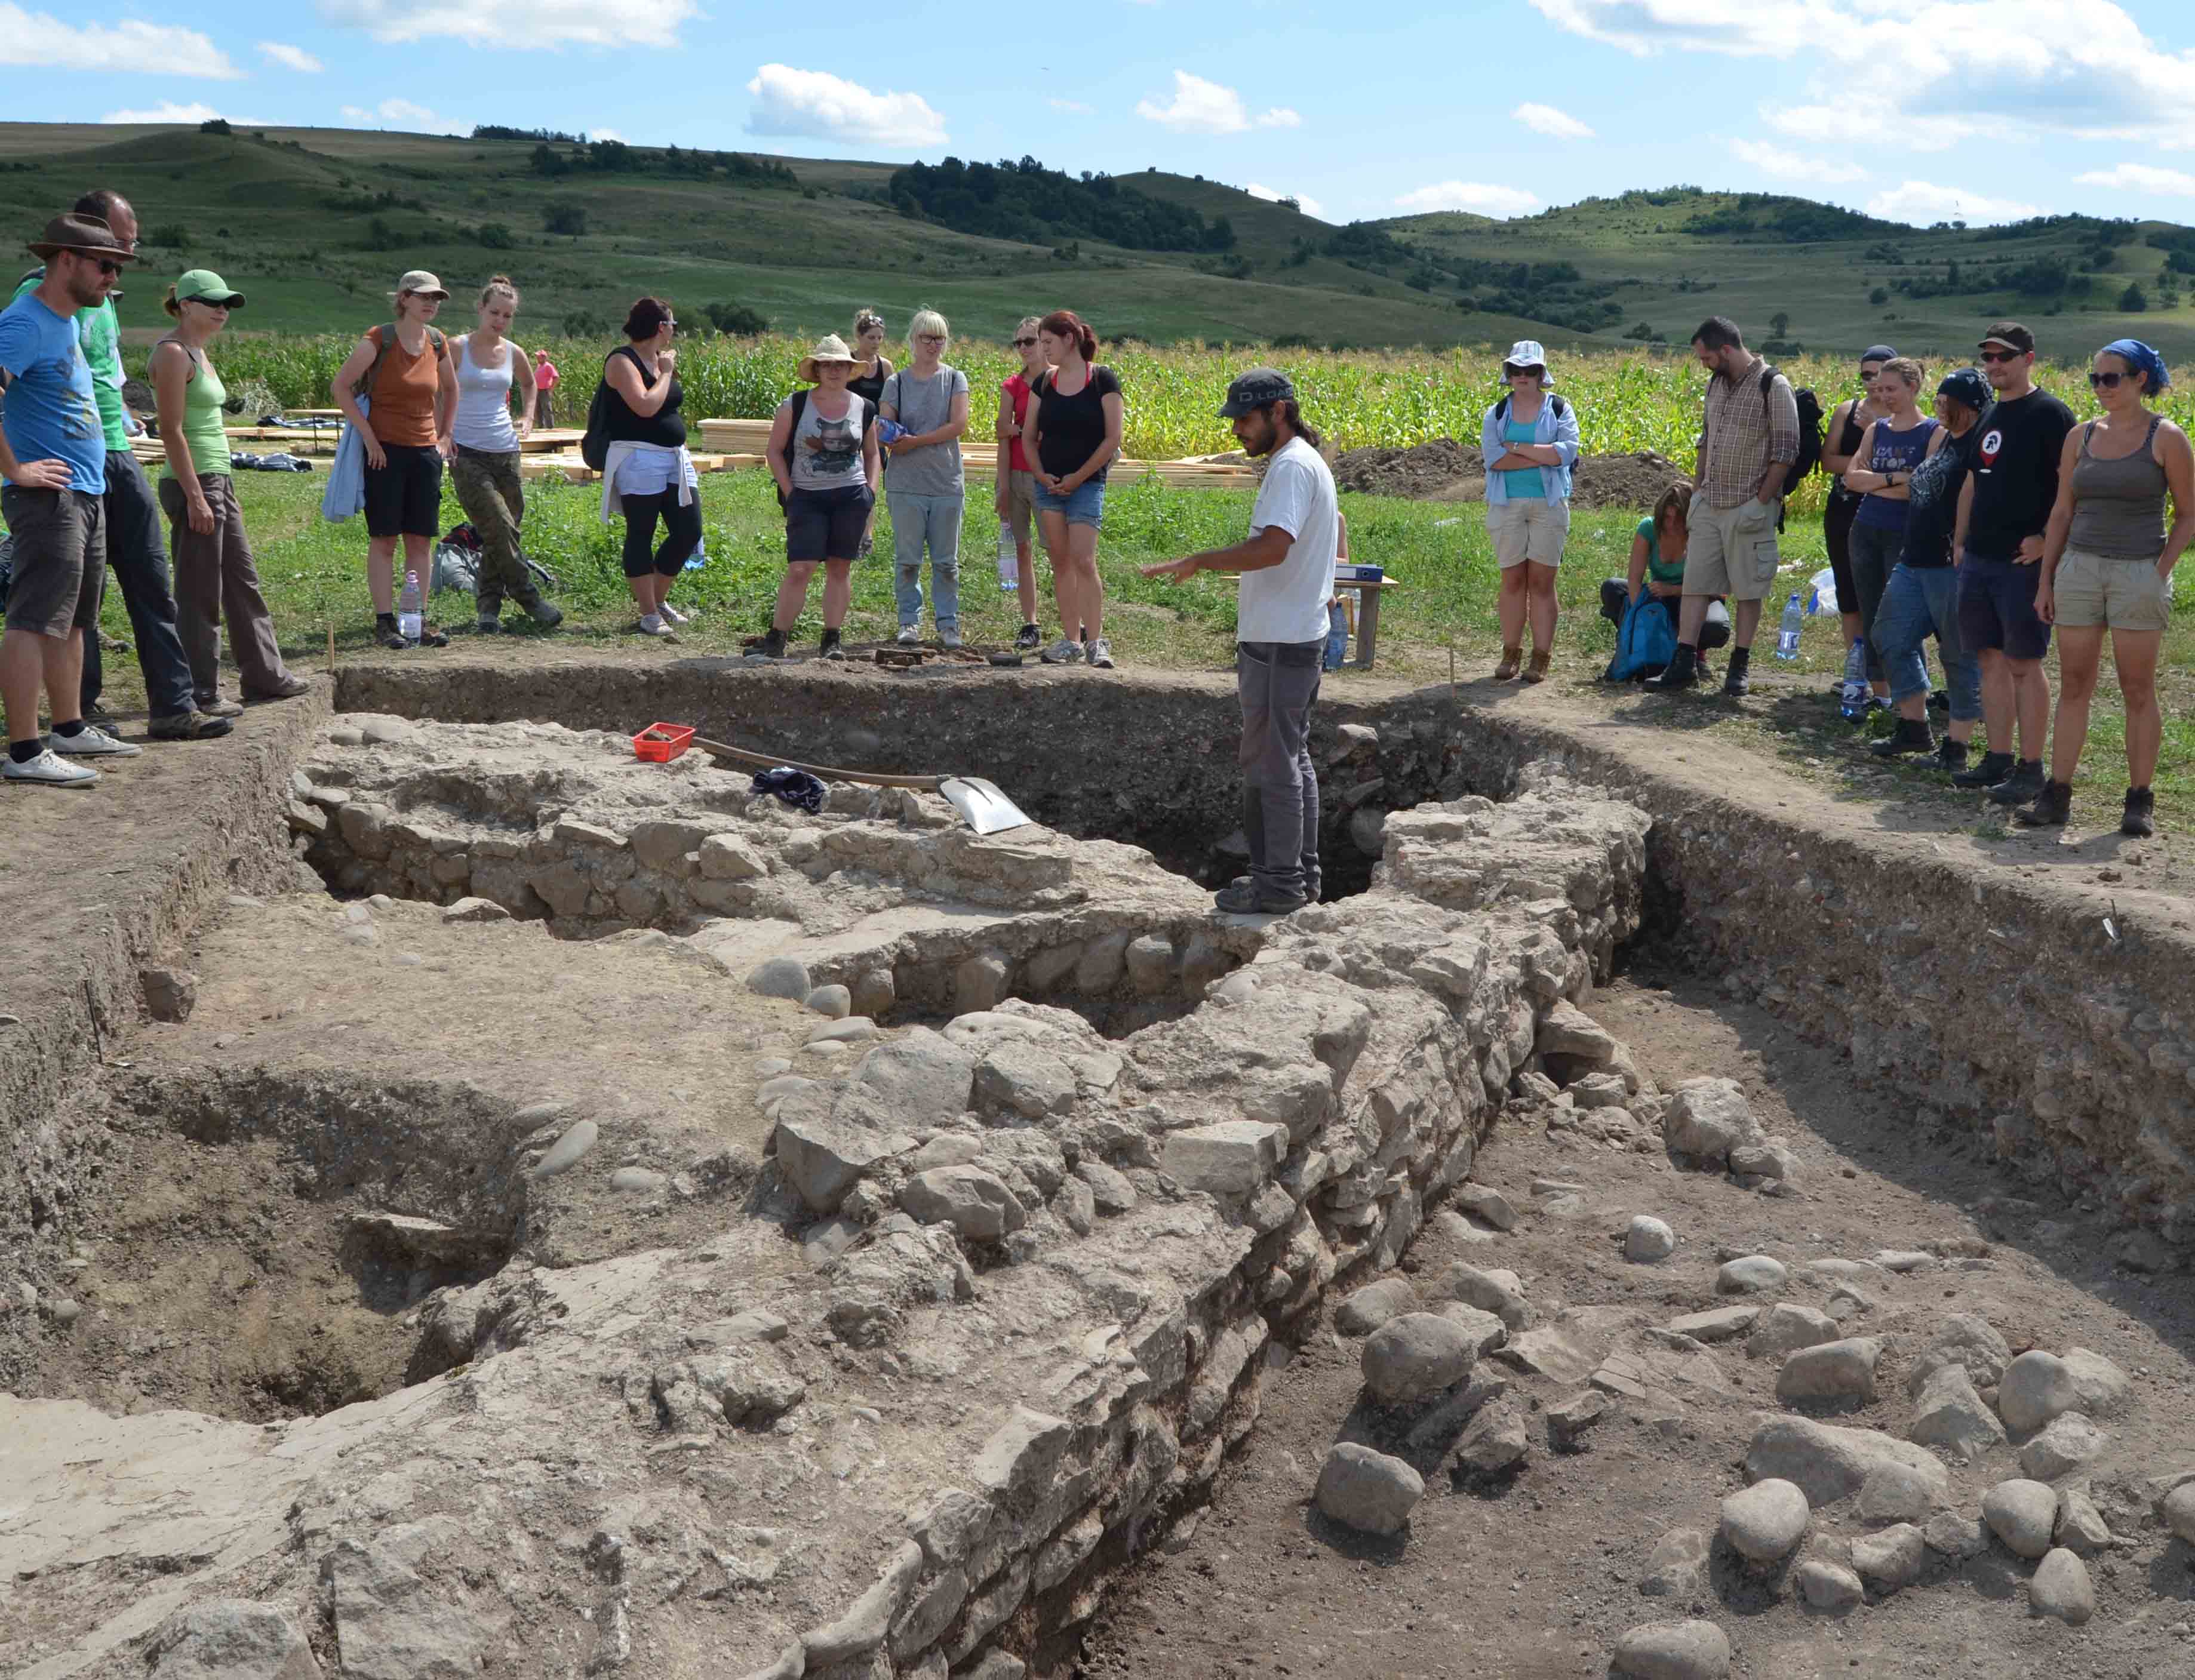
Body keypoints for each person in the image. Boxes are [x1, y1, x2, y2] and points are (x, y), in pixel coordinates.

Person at [10, 190, 217, 739]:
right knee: (71, 598)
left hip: (108, 451)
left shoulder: (96, 303)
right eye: (115, 249)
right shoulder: (40, 302)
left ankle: (169, 706)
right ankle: (71, 716)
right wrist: (17, 468)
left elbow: (98, 373)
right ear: (81, 244)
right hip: (62, 464)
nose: (123, 257)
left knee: (143, 575)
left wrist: (125, 415)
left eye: (127, 249)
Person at [1140, 368, 1336, 914]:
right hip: (1292, 635)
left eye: (1245, 420)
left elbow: (1274, 548)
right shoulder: (1298, 462)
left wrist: (1201, 561)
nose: (1237, 432)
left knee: (1273, 764)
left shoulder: (1293, 467)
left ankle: (1278, 885)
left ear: (1279, 412)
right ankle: (1302, 877)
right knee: (1290, 758)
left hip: (1279, 641)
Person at [2016, 339, 2194, 833]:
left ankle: (2139, 799)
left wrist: (2158, 572)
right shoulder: (2080, 436)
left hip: (2138, 569)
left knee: (2137, 689)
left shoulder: (2168, 437)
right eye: (2095, 379)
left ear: (2141, 380)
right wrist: (2047, 580)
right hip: (2080, 570)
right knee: (2075, 684)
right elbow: (2062, 512)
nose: (2101, 388)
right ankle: (2058, 795)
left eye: (2111, 378)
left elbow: (2187, 515)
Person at [0, 213, 143, 784]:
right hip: (47, 500)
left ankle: (68, 727)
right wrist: (16, 470)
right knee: (33, 621)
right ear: (66, 261)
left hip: (85, 492)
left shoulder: (66, 322)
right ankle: (26, 751)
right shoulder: (25, 323)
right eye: (105, 265)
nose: (112, 278)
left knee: (74, 621)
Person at [150, 270, 307, 720]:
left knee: (242, 580)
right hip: (194, 480)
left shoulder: (201, 351)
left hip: (219, 477)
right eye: (212, 302)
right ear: (184, 305)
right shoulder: (173, 353)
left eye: (228, 304)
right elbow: (171, 431)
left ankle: (264, 675)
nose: (223, 310)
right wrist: (195, 496)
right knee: (201, 591)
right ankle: (201, 690)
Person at [1949, 322, 2076, 805]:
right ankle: (1998, 759)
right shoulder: (1989, 415)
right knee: (1989, 660)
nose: (1995, 365)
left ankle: (2031, 768)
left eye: (2004, 356)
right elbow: (1971, 484)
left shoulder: (2050, 415)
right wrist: (1961, 542)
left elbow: (2073, 488)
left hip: (2022, 563)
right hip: (1980, 558)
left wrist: (2047, 540)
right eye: (1989, 357)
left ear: (2029, 358)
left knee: (2025, 663)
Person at [1648, 316, 1799, 697]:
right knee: (1697, 583)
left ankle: (1740, 666)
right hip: (1710, 503)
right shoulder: (1715, 384)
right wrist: (1697, 490)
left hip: (1749, 507)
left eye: (1707, 357)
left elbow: (1786, 451)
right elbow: (1705, 439)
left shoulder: (1774, 386)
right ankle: (1683, 663)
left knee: (1749, 590)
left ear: (1727, 350)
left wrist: (1761, 501)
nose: (1704, 364)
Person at [1867, 367, 1988, 770]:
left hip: (1948, 565)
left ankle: (1956, 747)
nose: (1940, 409)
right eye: (1937, 402)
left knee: (1958, 654)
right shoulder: (1948, 442)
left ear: (1969, 408)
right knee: (1890, 635)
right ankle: (1914, 727)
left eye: (1946, 403)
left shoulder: (1978, 447)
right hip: (1913, 559)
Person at [331, 270, 457, 651]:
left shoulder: (437, 341)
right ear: (403, 299)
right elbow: (340, 386)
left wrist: (446, 435)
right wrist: (369, 438)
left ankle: (416, 620)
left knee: (420, 540)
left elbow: (451, 389)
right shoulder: (378, 339)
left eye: (436, 298)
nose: (431, 304)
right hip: (383, 451)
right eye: (424, 297)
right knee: (384, 539)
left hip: (425, 453)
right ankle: (385, 623)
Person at [447, 276, 561, 635]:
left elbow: (531, 384)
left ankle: (488, 611)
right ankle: (530, 599)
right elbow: (437, 393)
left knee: (503, 531)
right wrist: (442, 434)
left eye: (507, 315)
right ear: (480, 309)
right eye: (494, 312)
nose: (500, 320)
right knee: (497, 523)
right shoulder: (456, 348)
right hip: (465, 451)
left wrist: (528, 416)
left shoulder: (514, 352)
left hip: (506, 450)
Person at [758, 334, 880, 660]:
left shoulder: (863, 407)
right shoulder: (795, 405)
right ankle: (777, 637)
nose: (834, 370)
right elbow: (773, 451)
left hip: (851, 496)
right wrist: (791, 493)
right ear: (817, 369)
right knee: (801, 567)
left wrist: (870, 490)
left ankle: (832, 639)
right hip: (807, 497)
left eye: (840, 364)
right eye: (827, 364)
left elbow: (872, 453)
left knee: (840, 568)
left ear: (849, 369)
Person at [1025, 309, 1124, 669]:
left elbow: (1113, 438)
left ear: (1069, 339)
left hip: (1086, 485)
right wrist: (1039, 473)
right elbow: (1028, 436)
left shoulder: (1102, 380)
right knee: (1060, 562)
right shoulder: (1044, 383)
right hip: (1048, 485)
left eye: (1048, 342)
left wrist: (1079, 477)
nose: (1044, 350)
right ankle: (1071, 640)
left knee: (1084, 560)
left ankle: (1096, 641)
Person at [595, 296, 699, 639]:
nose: (674, 332)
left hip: (672, 456)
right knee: (642, 530)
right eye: (672, 325)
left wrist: (665, 371)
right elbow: (644, 406)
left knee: (688, 529)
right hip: (637, 457)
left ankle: (658, 599)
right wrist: (667, 374)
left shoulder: (658, 360)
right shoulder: (622, 361)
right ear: (660, 327)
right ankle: (648, 612)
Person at [1479, 339, 1580, 682]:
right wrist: (1541, 452)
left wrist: (1518, 448)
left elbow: (1564, 454)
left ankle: (1541, 656)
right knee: (1512, 580)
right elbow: (1494, 459)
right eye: (1515, 370)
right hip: (1506, 504)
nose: (1522, 376)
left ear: (1541, 374)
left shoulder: (1560, 409)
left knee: (1542, 582)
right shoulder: (1496, 413)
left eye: (1530, 370)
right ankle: (1511, 653)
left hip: (1549, 504)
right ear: (1507, 374)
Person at [1842, 356, 1938, 706]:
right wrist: (1894, 478)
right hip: (1866, 530)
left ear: (1913, 388)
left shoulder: (1933, 432)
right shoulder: (1876, 430)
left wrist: (1874, 484)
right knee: (1870, 613)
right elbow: (1852, 478)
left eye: (1892, 389)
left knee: (1902, 618)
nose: (1884, 396)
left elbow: (1922, 489)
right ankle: (1881, 696)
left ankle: (1912, 697)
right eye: (1880, 389)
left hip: (1904, 534)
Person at [881, 308, 970, 647]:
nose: (933, 345)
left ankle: (949, 623)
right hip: (905, 484)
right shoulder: (896, 382)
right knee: (908, 560)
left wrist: (915, 441)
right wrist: (889, 435)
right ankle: (909, 621)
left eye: (939, 338)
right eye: (927, 338)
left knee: (947, 563)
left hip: (946, 482)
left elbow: (958, 425)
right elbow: (886, 423)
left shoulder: (955, 379)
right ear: (913, 340)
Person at [1598, 479, 1730, 676]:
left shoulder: (1703, 533)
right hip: (1659, 596)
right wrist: (1638, 615)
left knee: (1716, 626)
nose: (1670, 524)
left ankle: (1693, 653)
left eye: (1677, 520)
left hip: (1696, 596)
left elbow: (1719, 590)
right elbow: (1634, 578)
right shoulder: (1649, 529)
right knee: (1613, 588)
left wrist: (1673, 590)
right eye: (1666, 518)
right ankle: (1640, 642)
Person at [1821, 346, 1895, 687]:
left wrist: (1876, 434)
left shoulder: (1908, 417)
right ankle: (1857, 674)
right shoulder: (1847, 411)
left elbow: (1910, 468)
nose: (1872, 382)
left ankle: (1888, 675)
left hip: (1888, 515)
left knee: (1883, 597)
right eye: (1866, 375)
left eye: (1879, 374)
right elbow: (1829, 462)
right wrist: (1866, 469)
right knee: (1849, 595)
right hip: (1843, 511)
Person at [994, 316, 1048, 651]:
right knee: (1022, 550)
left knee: (1062, 553)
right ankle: (1031, 623)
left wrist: (1018, 428)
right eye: (1019, 343)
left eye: (1030, 341)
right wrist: (1002, 486)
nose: (1024, 348)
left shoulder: (1058, 381)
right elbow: (1001, 431)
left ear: (1045, 342)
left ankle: (1081, 622)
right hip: (1015, 474)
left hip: (1047, 476)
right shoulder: (1012, 385)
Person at [849, 309, 891, 559]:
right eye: (871, 338)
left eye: (879, 338)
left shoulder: (885, 367)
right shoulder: (848, 361)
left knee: (869, 484)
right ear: (859, 337)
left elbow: (891, 401)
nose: (876, 343)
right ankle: (849, 533)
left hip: (874, 434)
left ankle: (867, 537)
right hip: (848, 431)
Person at [531, 347, 559, 429]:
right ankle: (541, 428)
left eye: (539, 357)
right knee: (539, 411)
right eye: (537, 357)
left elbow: (556, 377)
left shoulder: (548, 366)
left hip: (545, 390)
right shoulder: (539, 366)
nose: (537, 358)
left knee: (547, 410)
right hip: (538, 391)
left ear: (544, 357)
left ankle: (550, 428)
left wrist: (551, 389)